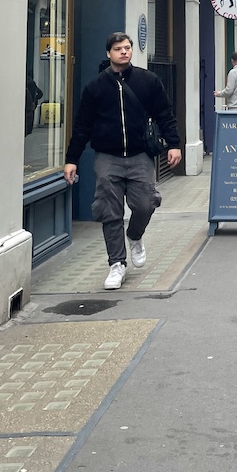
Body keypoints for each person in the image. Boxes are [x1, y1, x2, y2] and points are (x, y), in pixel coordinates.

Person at [64, 32, 182, 291]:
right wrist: (72, 159)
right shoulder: (95, 87)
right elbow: (82, 125)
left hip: (140, 155)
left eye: (127, 48)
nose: (124, 52)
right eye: (118, 48)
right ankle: (116, 263)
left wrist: (174, 144)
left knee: (146, 203)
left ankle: (135, 235)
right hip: (107, 157)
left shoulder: (147, 81)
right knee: (109, 211)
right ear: (109, 53)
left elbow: (164, 113)